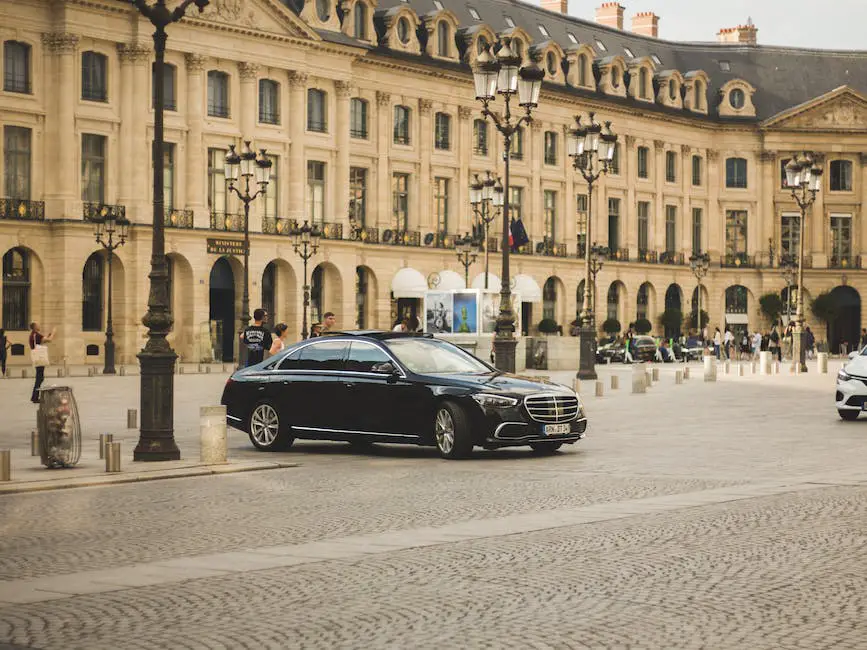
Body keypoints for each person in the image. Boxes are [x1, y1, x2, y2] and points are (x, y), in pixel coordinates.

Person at [29, 322, 55, 404]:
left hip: (37, 358)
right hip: (39, 358)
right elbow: (49, 340)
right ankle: (34, 397)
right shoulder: (36, 335)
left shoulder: (33, 335)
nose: (39, 326)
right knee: (39, 378)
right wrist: (54, 332)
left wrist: (48, 335)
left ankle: (35, 396)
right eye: (37, 325)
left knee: (40, 377)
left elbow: (42, 341)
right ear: (35, 327)